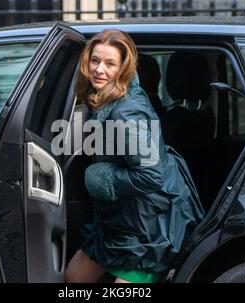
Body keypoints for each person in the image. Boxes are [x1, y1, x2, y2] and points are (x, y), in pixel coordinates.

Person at [65, 29, 204, 283]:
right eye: (95, 61)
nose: (99, 70)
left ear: (123, 69)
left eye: (110, 64)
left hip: (148, 223)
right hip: (118, 217)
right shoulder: (102, 99)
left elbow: (151, 175)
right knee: (75, 277)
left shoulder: (129, 113)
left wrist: (102, 178)